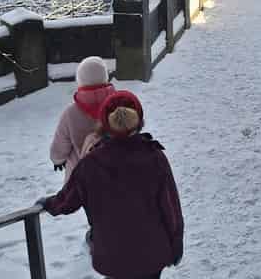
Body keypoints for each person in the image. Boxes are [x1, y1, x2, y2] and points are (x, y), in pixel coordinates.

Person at [39, 90, 184, 279]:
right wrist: (176, 242)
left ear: (105, 122)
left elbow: (67, 200)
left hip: (111, 255)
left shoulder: (91, 163)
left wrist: (47, 204)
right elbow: (170, 207)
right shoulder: (155, 158)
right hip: (151, 254)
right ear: (138, 121)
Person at [49, 56, 115, 184]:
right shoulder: (118, 105)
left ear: (80, 80)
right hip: (115, 174)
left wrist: (57, 159)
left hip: (81, 180)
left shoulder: (71, 113)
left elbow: (61, 143)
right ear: (105, 77)